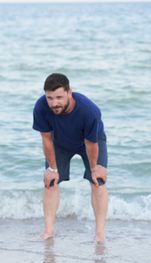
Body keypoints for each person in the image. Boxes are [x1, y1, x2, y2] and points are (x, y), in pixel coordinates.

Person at [33, 73, 108, 243]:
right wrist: (52, 169)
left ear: (69, 92)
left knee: (98, 181)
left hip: (89, 142)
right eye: (50, 98)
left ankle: (100, 233)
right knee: (50, 182)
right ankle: (49, 230)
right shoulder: (41, 106)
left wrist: (95, 168)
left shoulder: (90, 111)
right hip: (59, 142)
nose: (54, 103)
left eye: (59, 97)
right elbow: (46, 138)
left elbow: (91, 143)